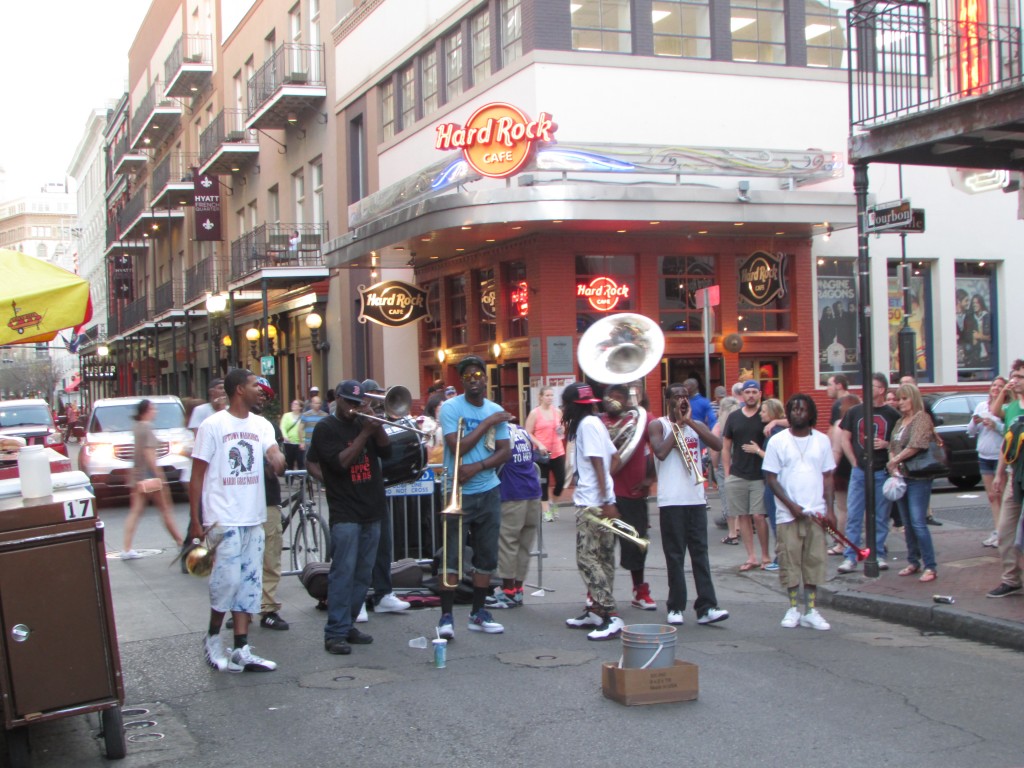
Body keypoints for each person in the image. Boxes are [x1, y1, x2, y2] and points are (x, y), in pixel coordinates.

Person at [189, 368, 285, 673]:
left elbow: (273, 452)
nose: (260, 390)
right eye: (255, 385)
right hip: (222, 517)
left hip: (252, 516)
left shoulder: (261, 424)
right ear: (239, 390)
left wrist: (277, 458)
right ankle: (213, 639)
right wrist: (196, 520)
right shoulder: (212, 425)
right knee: (226, 581)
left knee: (250, 584)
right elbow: (197, 475)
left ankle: (242, 647)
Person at [306, 380, 392, 655]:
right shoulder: (326, 428)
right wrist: (365, 433)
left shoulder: (364, 422)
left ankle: (348, 624)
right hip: (345, 511)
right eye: (349, 402)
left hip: (372, 508)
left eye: (358, 403)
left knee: (363, 574)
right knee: (343, 572)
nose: (354, 408)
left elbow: (387, 451)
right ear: (337, 401)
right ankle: (334, 633)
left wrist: (376, 425)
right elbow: (342, 463)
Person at [437, 355, 512, 639]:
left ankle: (478, 613)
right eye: (468, 376)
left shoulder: (495, 409)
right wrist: (487, 423)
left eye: (478, 374)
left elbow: (504, 450)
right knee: (452, 558)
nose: (474, 380)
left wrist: (479, 467)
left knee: (486, 557)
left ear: (485, 377)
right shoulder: (450, 408)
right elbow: (457, 448)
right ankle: (446, 617)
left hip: (488, 490)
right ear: (462, 380)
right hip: (457, 491)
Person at [649, 382, 729, 626]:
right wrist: (678, 425)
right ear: (668, 401)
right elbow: (660, 452)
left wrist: (690, 423)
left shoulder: (698, 426)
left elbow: (717, 445)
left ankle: (707, 606)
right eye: (676, 397)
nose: (682, 400)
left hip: (695, 500)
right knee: (675, 555)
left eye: (685, 396)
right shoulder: (658, 425)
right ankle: (675, 607)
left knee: (700, 554)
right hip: (671, 501)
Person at [762, 394, 837, 631]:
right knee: (790, 561)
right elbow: (771, 478)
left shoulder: (822, 441)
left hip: (816, 512)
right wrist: (791, 505)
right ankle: (793, 607)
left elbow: (828, 477)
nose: (798, 413)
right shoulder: (778, 441)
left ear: (811, 414)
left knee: (814, 562)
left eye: (803, 409)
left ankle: (811, 610)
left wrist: (831, 510)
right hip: (788, 514)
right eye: (793, 409)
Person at [562, 382, 624, 640]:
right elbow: (616, 458)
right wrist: (607, 488)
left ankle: (609, 614)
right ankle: (597, 610)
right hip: (600, 498)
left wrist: (605, 497)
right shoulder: (596, 422)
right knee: (603, 557)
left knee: (586, 559)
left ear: (572, 406)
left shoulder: (586, 426)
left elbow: (599, 462)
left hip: (592, 503)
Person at [359, 377, 412, 618]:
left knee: (383, 546)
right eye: (372, 396)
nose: (376, 402)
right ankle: (356, 600)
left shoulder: (377, 422)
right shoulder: (350, 421)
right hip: (355, 495)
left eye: (379, 396)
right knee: (356, 550)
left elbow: (387, 448)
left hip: (377, 491)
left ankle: (383, 594)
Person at [837, 373, 899, 574]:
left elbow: (900, 443)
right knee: (854, 514)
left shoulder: (892, 415)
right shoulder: (855, 412)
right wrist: (853, 460)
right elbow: (844, 438)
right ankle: (850, 556)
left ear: (881, 389)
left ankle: (878, 553)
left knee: (881, 516)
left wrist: (887, 444)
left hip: (881, 469)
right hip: (860, 470)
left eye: (871, 386)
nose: (866, 388)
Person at [605, 384, 657, 610]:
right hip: (606, 496)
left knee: (636, 545)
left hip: (634, 494)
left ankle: (640, 591)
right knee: (603, 548)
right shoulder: (597, 421)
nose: (614, 401)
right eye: (611, 397)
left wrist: (649, 479)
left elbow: (658, 448)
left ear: (627, 400)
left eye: (620, 397)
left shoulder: (642, 420)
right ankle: (598, 593)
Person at [886, 383, 939, 582]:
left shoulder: (922, 418)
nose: (900, 403)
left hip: (919, 477)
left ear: (913, 398)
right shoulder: (900, 422)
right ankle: (913, 561)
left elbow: (917, 444)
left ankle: (930, 565)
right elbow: (893, 444)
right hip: (902, 476)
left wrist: (895, 460)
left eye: (904, 398)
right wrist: (893, 461)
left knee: (918, 522)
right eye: (898, 399)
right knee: (907, 522)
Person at [122, 399, 183, 559]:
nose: (155, 411)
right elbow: (150, 456)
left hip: (137, 476)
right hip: (150, 477)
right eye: (153, 409)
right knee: (165, 510)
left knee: (135, 511)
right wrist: (160, 477)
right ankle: (180, 542)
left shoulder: (137, 427)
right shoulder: (147, 428)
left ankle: (126, 548)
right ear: (146, 411)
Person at [489, 418, 541, 608]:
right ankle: (518, 590)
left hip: (512, 493)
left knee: (508, 543)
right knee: (525, 546)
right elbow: (532, 459)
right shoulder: (522, 432)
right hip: (533, 492)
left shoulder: (497, 434)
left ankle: (507, 590)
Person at [722, 380, 770, 572]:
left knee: (758, 516)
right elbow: (726, 447)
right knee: (742, 516)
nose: (750, 395)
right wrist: (727, 473)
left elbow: (786, 421)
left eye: (754, 392)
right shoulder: (734, 417)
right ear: (742, 395)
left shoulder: (766, 415)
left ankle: (766, 556)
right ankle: (751, 557)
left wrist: (774, 421)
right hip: (737, 474)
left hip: (759, 474)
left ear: (759, 394)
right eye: (747, 392)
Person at [987, 363, 1024, 598]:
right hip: (1014, 476)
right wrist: (1000, 473)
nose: (1016, 380)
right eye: (1014, 376)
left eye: (1020, 376)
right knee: (1005, 530)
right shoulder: (1012, 408)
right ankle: (1011, 578)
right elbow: (1006, 443)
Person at [967, 376, 1006, 547]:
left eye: (1000, 386)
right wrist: (976, 422)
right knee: (992, 496)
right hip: (984, 455)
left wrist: (995, 425)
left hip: (999, 457)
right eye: (994, 385)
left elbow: (1009, 432)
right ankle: (997, 531)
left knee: (1002, 495)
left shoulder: (1005, 408)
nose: (996, 388)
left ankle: (1005, 532)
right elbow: (970, 431)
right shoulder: (982, 406)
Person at [525, 386, 566, 523]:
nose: (550, 398)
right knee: (543, 482)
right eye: (547, 395)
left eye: (551, 395)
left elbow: (562, 430)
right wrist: (539, 444)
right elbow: (528, 432)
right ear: (541, 397)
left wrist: (561, 430)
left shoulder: (558, 412)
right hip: (542, 452)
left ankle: (553, 502)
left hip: (557, 451)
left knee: (561, 480)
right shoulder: (535, 413)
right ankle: (546, 510)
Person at [757, 397, 787, 570]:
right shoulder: (781, 430)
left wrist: (757, 451)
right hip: (774, 481)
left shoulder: (774, 432)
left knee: (777, 520)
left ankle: (780, 558)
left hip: (773, 482)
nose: (761, 414)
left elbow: (771, 459)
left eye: (764, 411)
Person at [830, 393, 862, 553]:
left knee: (843, 509)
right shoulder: (862, 422)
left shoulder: (839, 425)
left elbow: (836, 451)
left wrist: (828, 474)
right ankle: (863, 542)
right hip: (859, 467)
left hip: (842, 470)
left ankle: (841, 544)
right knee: (861, 508)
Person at [713, 396, 741, 546]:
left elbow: (715, 450)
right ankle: (739, 527)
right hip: (740, 463)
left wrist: (715, 465)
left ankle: (732, 533)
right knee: (739, 496)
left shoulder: (720, 426)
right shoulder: (741, 420)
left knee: (727, 496)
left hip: (726, 464)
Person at [280, 399, 305, 482]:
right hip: (289, 443)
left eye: (296, 404)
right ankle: (289, 481)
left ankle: (303, 482)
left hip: (299, 443)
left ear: (300, 407)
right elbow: (282, 426)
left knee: (301, 462)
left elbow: (304, 429)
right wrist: (285, 436)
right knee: (289, 462)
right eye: (293, 403)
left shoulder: (303, 417)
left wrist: (303, 441)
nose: (293, 405)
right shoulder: (286, 415)